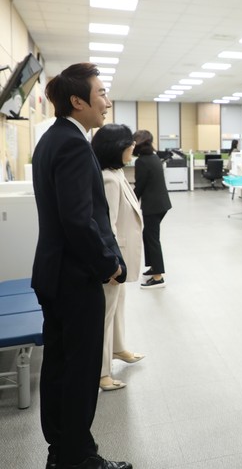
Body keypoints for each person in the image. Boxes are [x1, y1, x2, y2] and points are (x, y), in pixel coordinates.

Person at [31, 62, 132, 469]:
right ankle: (78, 457)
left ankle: (61, 451)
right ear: (77, 101)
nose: (107, 102)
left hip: (54, 274)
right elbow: (78, 219)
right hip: (75, 278)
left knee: (59, 367)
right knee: (80, 371)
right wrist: (108, 264)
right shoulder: (73, 144)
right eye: (101, 93)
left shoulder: (51, 140)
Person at [91, 124, 145, 391]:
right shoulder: (109, 179)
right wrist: (112, 263)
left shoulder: (117, 172)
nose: (133, 147)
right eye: (129, 144)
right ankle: (102, 372)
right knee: (106, 313)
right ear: (116, 147)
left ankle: (119, 348)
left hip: (122, 254)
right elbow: (107, 225)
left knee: (119, 304)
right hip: (115, 258)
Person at [132, 130, 172, 289]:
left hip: (153, 206)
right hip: (161, 204)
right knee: (148, 235)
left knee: (152, 238)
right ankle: (154, 267)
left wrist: (130, 201)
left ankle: (158, 277)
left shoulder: (141, 161)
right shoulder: (154, 157)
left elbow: (139, 186)